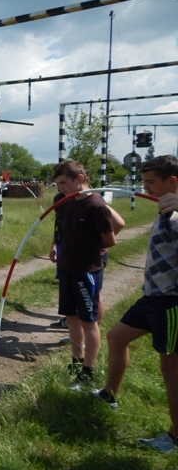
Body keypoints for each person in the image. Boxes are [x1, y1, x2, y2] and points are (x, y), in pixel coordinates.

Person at [93, 155, 178, 452]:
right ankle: (109, 394)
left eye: (151, 183)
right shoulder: (166, 209)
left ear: (173, 181)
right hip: (152, 297)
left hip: (171, 302)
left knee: (171, 369)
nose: (147, 188)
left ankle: (174, 438)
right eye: (144, 183)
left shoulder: (176, 212)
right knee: (117, 337)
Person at [50, 160, 116, 388]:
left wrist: (89, 248)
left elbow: (110, 239)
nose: (60, 188)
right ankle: (76, 361)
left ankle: (89, 370)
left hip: (86, 270)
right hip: (66, 267)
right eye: (57, 184)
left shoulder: (95, 205)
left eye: (63, 183)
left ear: (79, 178)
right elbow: (60, 228)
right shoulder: (65, 201)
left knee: (89, 319)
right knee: (71, 317)